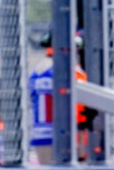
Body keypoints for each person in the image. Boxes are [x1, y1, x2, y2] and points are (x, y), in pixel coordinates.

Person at [27, 31, 94, 163]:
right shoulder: (69, 71)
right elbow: (81, 113)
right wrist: (81, 146)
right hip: (65, 137)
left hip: (40, 135)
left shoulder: (36, 72)